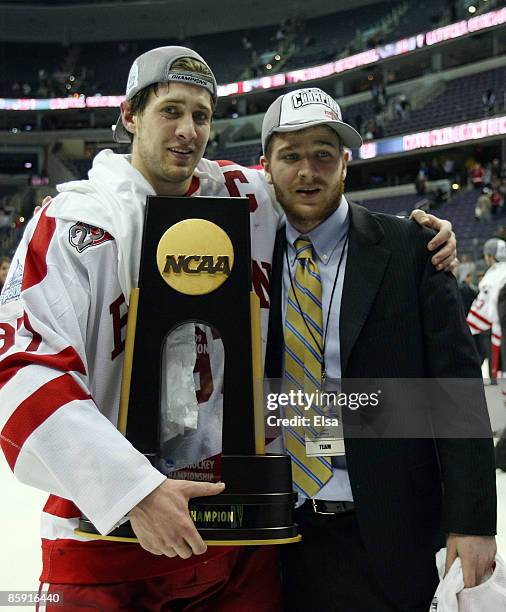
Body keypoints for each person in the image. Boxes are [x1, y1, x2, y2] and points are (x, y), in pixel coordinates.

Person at [0, 49, 456, 610]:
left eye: (201, 115)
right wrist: (133, 491)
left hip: (240, 537)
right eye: (171, 110)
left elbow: (311, 180)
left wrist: (415, 238)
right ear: (129, 116)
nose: (188, 131)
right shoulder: (75, 226)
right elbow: (22, 371)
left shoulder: (248, 198)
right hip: (107, 539)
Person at [261, 87, 497, 611]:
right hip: (277, 532)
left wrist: (473, 520)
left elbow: (456, 390)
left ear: (345, 164)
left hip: (394, 528)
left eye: (324, 154)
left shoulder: (412, 246)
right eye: (291, 155)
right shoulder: (245, 254)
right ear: (266, 167)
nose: (308, 170)